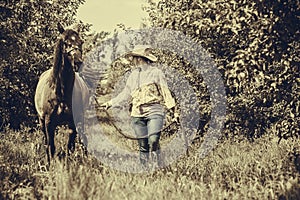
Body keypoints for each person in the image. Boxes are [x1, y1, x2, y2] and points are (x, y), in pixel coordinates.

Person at [101, 46, 178, 167]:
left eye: (134, 57)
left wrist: (174, 111)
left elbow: (165, 92)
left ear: (140, 58)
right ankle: (145, 169)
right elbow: (126, 94)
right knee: (143, 146)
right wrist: (110, 103)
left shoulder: (156, 73)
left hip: (154, 111)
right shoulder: (133, 75)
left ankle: (158, 162)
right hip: (137, 113)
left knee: (153, 140)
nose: (132, 60)